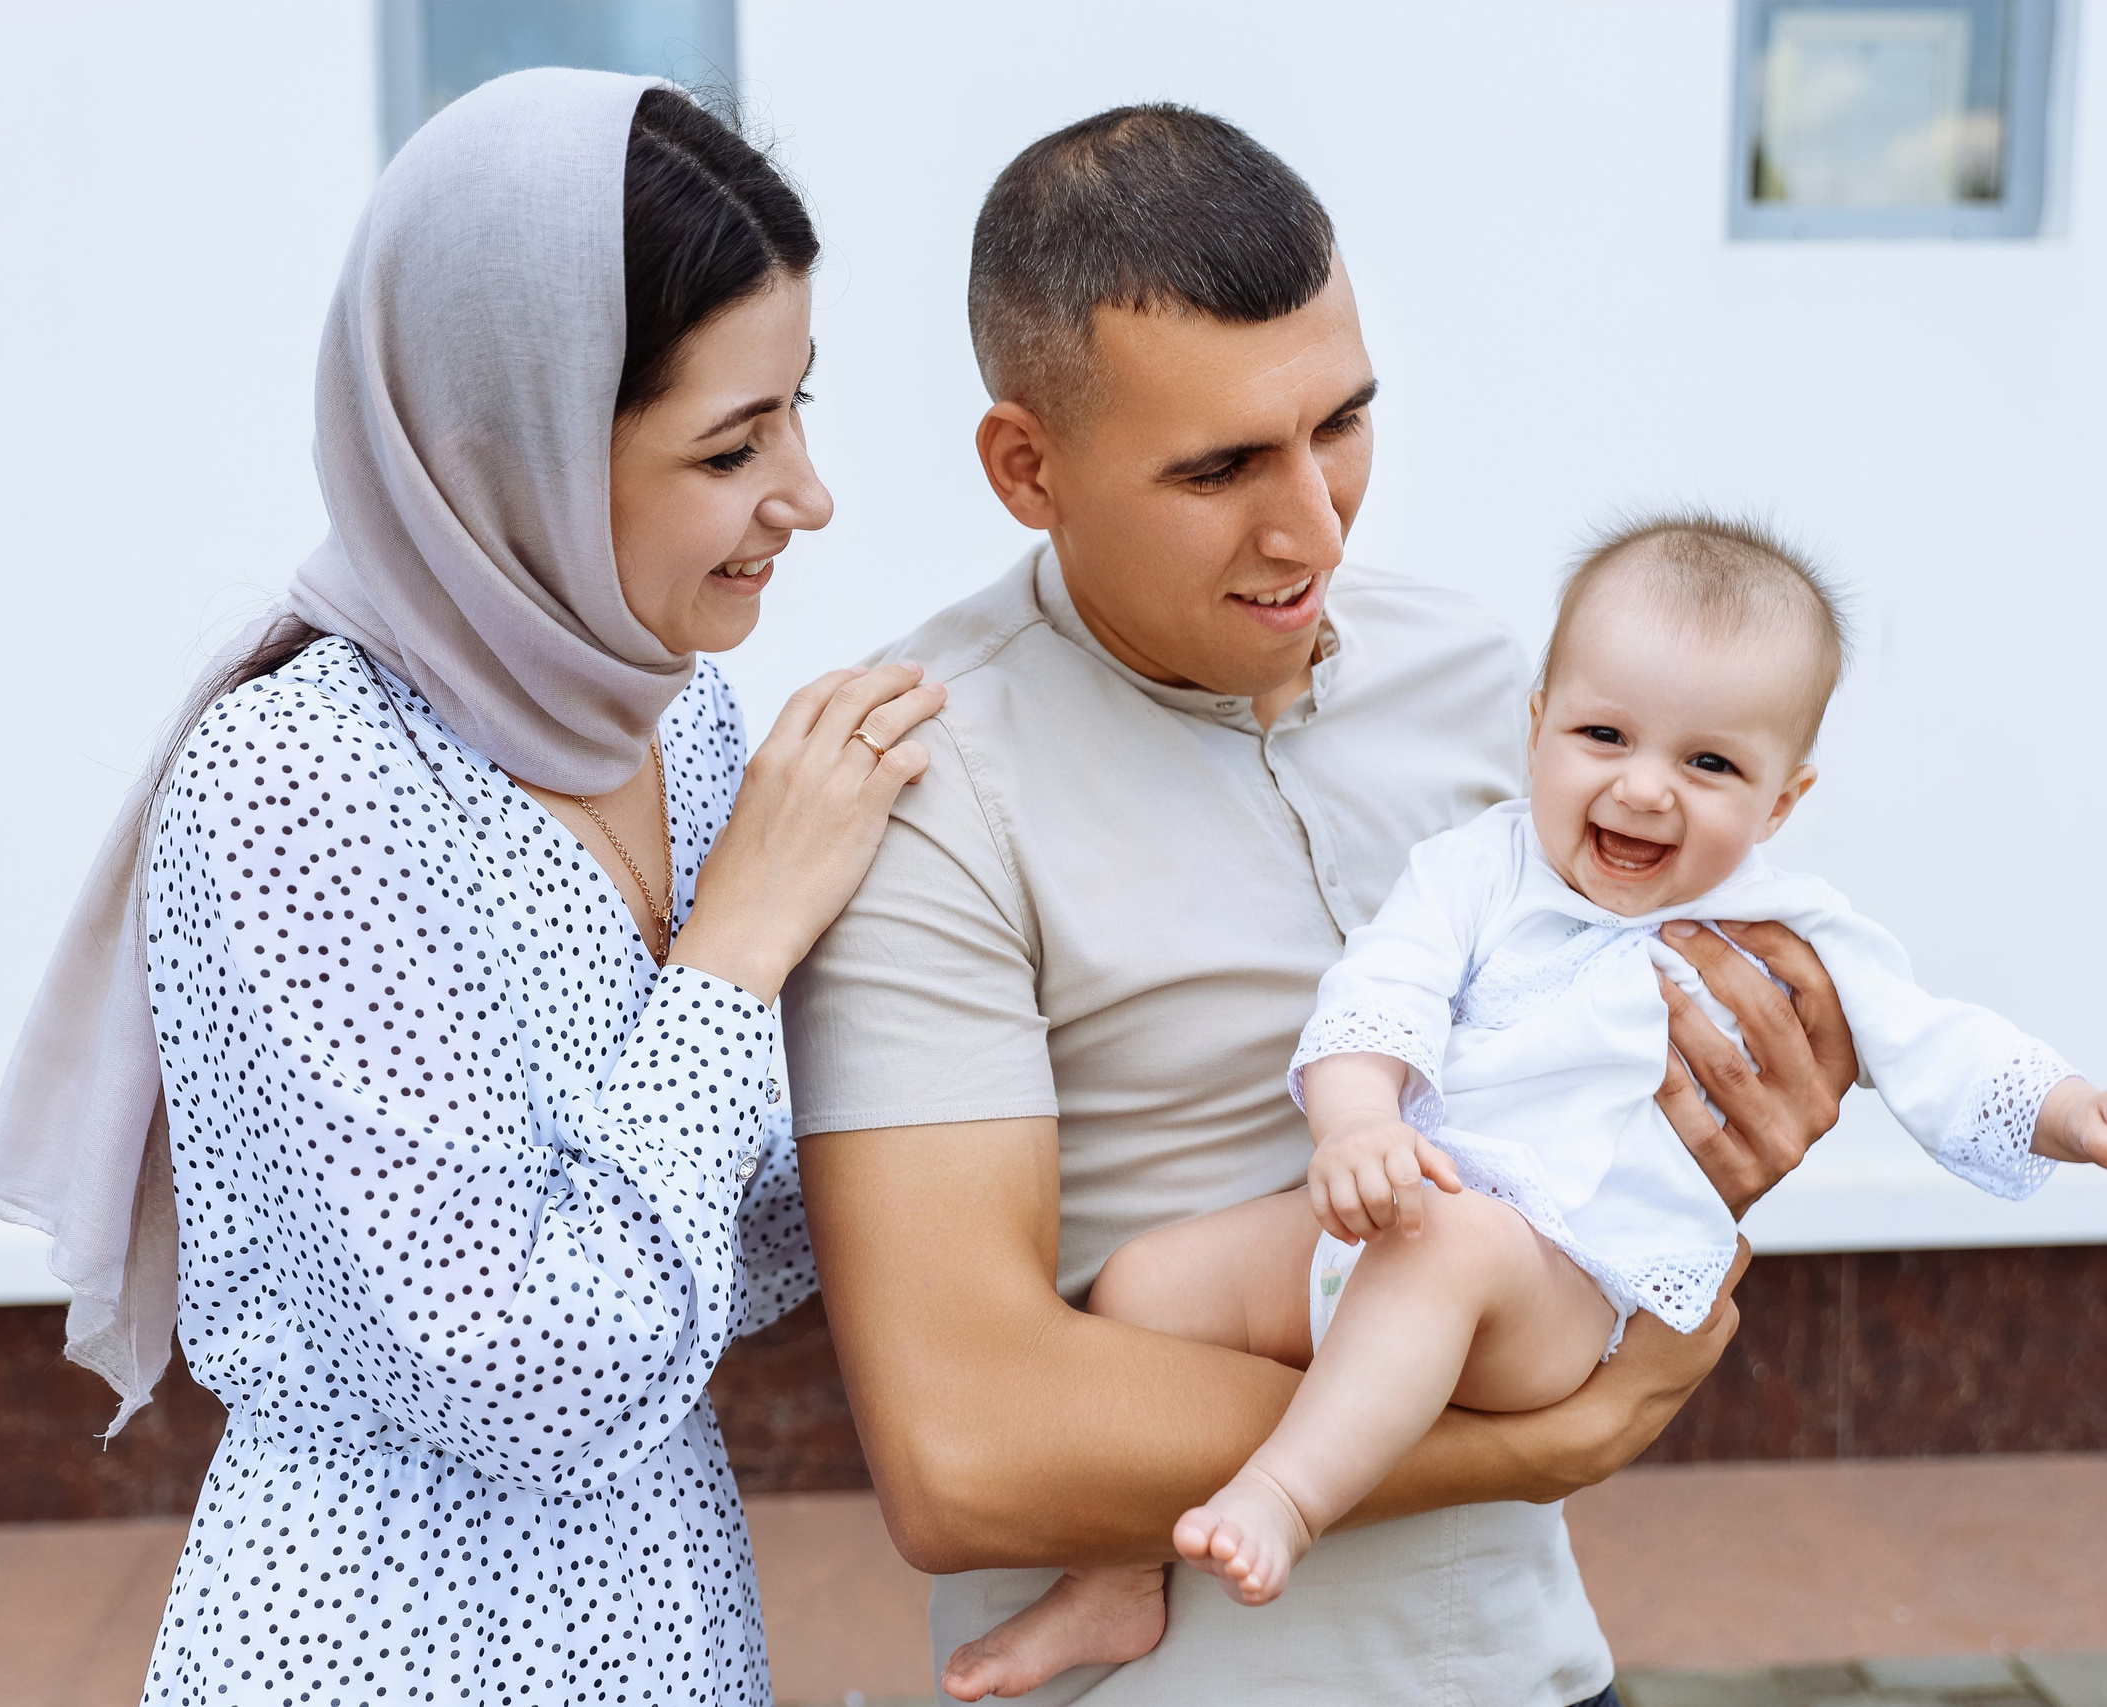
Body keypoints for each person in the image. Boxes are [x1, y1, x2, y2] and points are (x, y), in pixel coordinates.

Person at [783, 108, 1859, 1707]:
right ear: (1028, 465)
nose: (1316, 525)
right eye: (1220, 467)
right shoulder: (920, 786)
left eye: (1341, 423)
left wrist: (1724, 1137)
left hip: (1535, 1667)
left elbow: (1592, 1109)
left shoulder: (1504, 690)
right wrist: (1545, 1438)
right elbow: (967, 1454)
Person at [0, 71, 942, 1703]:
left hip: (666, 1620)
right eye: (730, 444)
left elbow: (721, 1243)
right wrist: (744, 945)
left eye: (801, 408)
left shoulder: (673, 710)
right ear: (510, 451)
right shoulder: (295, 784)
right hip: (386, 1643)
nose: (808, 495)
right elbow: (532, 1367)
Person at [954, 513, 2107, 1682]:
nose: (1645, 789)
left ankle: (1284, 1497)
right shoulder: (1476, 869)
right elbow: (1375, 993)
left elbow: (1943, 1049)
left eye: (1709, 763)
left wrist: (2079, 1112)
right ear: (1539, 724)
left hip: (1559, 1284)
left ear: (1782, 801)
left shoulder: (1790, 932)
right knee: (1145, 1287)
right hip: (1396, 1204)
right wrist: (1357, 1121)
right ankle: (1113, 1572)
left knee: (1451, 1253)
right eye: (1604, 738)